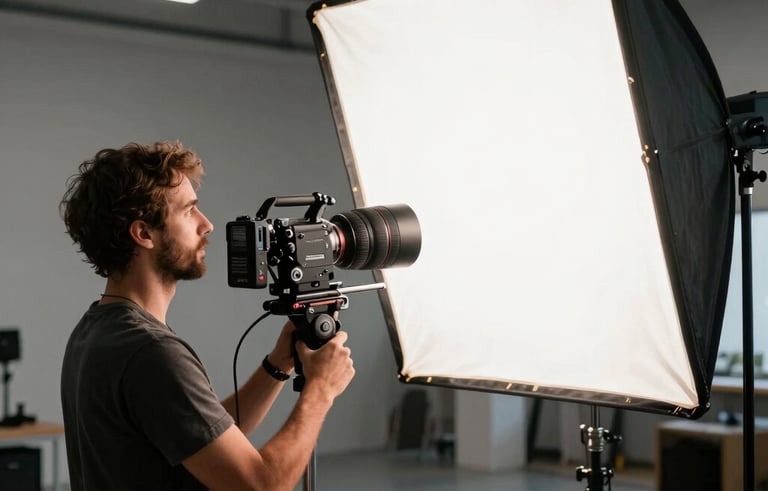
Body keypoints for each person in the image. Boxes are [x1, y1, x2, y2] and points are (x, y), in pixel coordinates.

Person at [59, 141, 355, 490]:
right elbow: (259, 485)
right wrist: (320, 390)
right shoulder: (151, 352)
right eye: (189, 211)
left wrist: (277, 366)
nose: (208, 225)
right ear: (143, 234)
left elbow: (201, 435)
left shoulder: (97, 329)